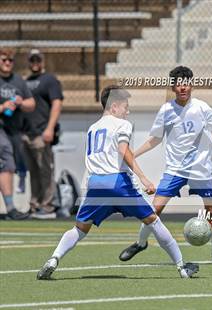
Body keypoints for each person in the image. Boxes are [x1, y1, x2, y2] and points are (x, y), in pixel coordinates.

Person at [37, 85, 198, 280]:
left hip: (96, 183)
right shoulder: (123, 124)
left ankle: (54, 258)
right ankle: (182, 268)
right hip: (118, 182)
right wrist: (143, 177)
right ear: (114, 106)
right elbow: (123, 151)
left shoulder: (92, 128)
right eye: (125, 107)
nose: (127, 112)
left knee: (79, 229)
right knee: (153, 221)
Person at [118, 66, 212, 263]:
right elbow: (155, 139)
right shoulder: (166, 110)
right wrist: (134, 154)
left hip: (201, 170)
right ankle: (140, 243)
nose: (183, 87)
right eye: (178, 84)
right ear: (173, 87)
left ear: (192, 85)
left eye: (186, 83)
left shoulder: (202, 108)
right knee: (154, 209)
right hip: (175, 170)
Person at [23, 49, 64, 219]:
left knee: (45, 171)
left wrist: (49, 128)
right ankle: (35, 205)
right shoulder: (25, 81)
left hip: (42, 132)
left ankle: (47, 206)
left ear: (43, 61)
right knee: (33, 172)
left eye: (38, 60)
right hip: (27, 133)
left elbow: (57, 103)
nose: (35, 63)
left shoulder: (49, 80)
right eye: (32, 60)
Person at [0, 48, 35, 220]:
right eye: (4, 60)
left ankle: (10, 207)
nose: (7, 63)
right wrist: (2, 107)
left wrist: (20, 102)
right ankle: (11, 208)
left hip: (14, 130)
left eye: (10, 61)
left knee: (9, 166)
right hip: (1, 131)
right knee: (6, 160)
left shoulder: (18, 81)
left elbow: (31, 103)